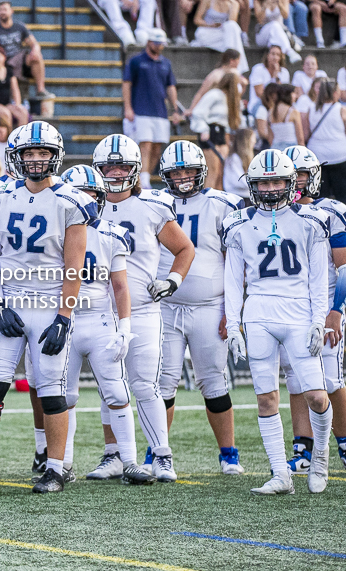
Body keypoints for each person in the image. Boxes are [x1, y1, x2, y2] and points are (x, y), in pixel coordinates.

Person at [0, 121, 96, 494]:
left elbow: (73, 265)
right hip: (10, 298)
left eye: (42, 152)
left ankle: (55, 467)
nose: (34, 160)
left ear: (55, 156)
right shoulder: (0, 197)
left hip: (49, 300)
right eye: (28, 153)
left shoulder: (71, 201)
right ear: (16, 157)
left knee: (51, 390)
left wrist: (64, 317)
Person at [223, 149, 331, 495]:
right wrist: (234, 324)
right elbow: (232, 279)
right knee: (266, 399)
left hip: (299, 310)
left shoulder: (310, 220)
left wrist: (319, 320)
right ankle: (280, 473)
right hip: (259, 312)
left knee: (316, 394)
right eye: (263, 182)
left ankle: (321, 458)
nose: (270, 188)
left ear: (291, 182)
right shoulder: (239, 224)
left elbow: (318, 276)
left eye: (276, 181)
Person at [89, 134, 195, 482]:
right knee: (110, 387)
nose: (116, 172)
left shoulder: (152, 206)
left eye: (123, 165)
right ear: (97, 169)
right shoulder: (86, 205)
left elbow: (185, 249)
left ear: (135, 169)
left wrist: (172, 281)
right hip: (100, 311)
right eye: (109, 166)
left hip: (145, 309)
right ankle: (114, 455)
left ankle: (161, 456)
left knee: (144, 385)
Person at [53, 165, 155, 485]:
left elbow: (120, 286)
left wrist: (124, 326)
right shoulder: (51, 230)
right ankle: (62, 463)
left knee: (115, 391)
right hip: (63, 320)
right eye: (79, 194)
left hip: (99, 320)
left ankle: (129, 462)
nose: (85, 200)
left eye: (92, 194)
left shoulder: (111, 233)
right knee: (63, 395)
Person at [157, 141, 246, 475]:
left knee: (214, 381)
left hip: (210, 307)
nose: (182, 177)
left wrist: (232, 311)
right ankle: (159, 452)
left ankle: (228, 454)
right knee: (161, 382)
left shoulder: (223, 203)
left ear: (201, 171)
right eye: (176, 171)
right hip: (165, 307)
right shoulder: (155, 202)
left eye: (188, 170)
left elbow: (236, 263)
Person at [280, 145, 346, 475]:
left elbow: (344, 268)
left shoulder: (331, 211)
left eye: (301, 176)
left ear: (314, 177)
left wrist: (335, 311)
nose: (295, 183)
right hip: (289, 309)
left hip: (325, 308)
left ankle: (344, 443)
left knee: (331, 380)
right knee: (295, 380)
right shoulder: (274, 214)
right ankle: (302, 448)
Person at [122, 28, 181, 190]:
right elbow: (127, 84)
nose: (160, 46)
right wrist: (128, 107)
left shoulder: (166, 63)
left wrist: (175, 109)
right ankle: (144, 180)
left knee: (157, 146)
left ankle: (146, 176)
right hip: (141, 109)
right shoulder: (136, 61)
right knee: (145, 143)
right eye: (157, 43)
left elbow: (171, 87)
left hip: (160, 111)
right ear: (149, 42)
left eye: (161, 43)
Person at [0, 1, 54, 100]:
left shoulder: (19, 26)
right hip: (4, 61)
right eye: (0, 10)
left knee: (36, 57)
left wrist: (35, 50)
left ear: (11, 11)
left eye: (5, 9)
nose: (2, 12)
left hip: (20, 59)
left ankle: (40, 90)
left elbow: (34, 44)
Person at [190, 72, 244, 190]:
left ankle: (219, 200)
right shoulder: (214, 94)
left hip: (221, 133)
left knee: (220, 173)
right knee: (212, 171)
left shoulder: (230, 100)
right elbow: (198, 113)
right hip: (211, 132)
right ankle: (207, 199)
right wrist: (203, 129)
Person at [306, 81, 346, 203]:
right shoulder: (341, 109)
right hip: (339, 156)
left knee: (320, 196)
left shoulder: (311, 109)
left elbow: (306, 132)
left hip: (317, 157)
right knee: (342, 195)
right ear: (335, 93)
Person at [191, 0, 249, 74]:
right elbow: (197, 20)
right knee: (233, 39)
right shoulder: (207, 1)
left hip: (222, 33)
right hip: (208, 32)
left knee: (232, 27)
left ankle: (229, 61)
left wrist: (231, 5)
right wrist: (210, 25)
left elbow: (232, 22)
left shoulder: (233, 4)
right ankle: (235, 66)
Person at [187, 49, 249, 115]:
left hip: (233, 111)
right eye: (238, 60)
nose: (239, 63)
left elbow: (238, 93)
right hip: (218, 111)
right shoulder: (215, 75)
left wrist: (243, 85)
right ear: (232, 61)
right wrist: (192, 109)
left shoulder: (236, 73)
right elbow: (201, 93)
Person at [0, 47, 29, 127]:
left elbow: (15, 89)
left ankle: (22, 136)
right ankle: (8, 137)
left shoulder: (9, 71)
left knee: (23, 112)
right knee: (6, 113)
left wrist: (17, 104)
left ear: (4, 57)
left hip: (7, 103)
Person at [247, 46, 289, 117]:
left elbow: (283, 94)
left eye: (278, 55)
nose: (275, 57)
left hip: (277, 104)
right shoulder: (258, 69)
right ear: (267, 55)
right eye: (273, 54)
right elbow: (260, 93)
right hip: (259, 103)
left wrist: (276, 77)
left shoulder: (284, 72)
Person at [267, 84, 303, 150]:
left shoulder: (271, 111)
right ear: (288, 94)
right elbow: (300, 138)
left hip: (275, 148)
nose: (296, 96)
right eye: (294, 93)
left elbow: (270, 137)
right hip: (291, 148)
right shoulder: (293, 111)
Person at [223, 128, 255, 200]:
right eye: (252, 139)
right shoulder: (234, 158)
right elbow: (238, 180)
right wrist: (254, 186)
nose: (254, 141)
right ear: (246, 140)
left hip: (246, 195)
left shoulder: (247, 158)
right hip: (236, 195)